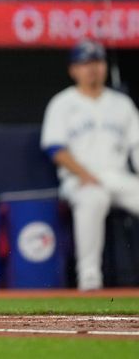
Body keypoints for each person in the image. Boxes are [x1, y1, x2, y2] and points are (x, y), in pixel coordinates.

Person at [40, 40, 139, 291]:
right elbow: (55, 149)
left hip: (117, 176)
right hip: (79, 179)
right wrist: (84, 174)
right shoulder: (62, 103)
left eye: (97, 62)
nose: (92, 69)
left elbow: (136, 146)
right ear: (74, 70)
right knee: (94, 198)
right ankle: (90, 278)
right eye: (85, 63)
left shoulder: (122, 103)